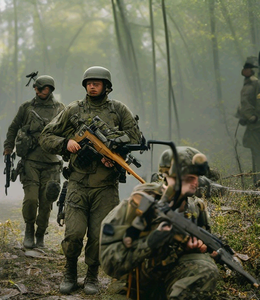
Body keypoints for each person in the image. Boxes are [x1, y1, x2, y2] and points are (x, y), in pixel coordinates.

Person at [39, 66, 142, 295]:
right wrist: (65, 143)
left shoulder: (118, 110)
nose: (92, 86)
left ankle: (92, 275)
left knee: (97, 235)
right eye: (89, 82)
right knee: (74, 233)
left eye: (97, 83)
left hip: (106, 187)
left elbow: (134, 137)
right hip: (77, 183)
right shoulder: (74, 110)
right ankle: (70, 271)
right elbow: (46, 136)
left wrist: (115, 154)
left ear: (107, 86)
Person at [100, 146, 219, 300]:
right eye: (188, 177)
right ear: (168, 175)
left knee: (205, 268)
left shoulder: (195, 207)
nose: (194, 182)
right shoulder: (136, 205)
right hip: (133, 286)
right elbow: (110, 264)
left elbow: (202, 248)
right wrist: (150, 242)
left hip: (172, 280)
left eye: (196, 177)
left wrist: (197, 249)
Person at [3, 75, 65, 249]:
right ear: (36, 89)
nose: (44, 92)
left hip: (52, 163)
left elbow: (69, 130)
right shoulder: (27, 108)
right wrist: (8, 147)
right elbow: (14, 127)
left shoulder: (60, 109)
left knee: (46, 202)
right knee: (30, 199)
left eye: (47, 89)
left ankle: (40, 234)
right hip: (30, 161)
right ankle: (29, 230)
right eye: (41, 88)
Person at [235, 56, 260, 186]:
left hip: (256, 125)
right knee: (255, 152)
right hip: (251, 125)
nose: (244, 70)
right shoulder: (248, 83)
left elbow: (256, 102)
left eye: (247, 68)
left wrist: (254, 116)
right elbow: (244, 104)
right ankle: (257, 181)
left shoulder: (255, 83)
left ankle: (258, 181)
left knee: (257, 154)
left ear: (251, 70)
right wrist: (244, 118)